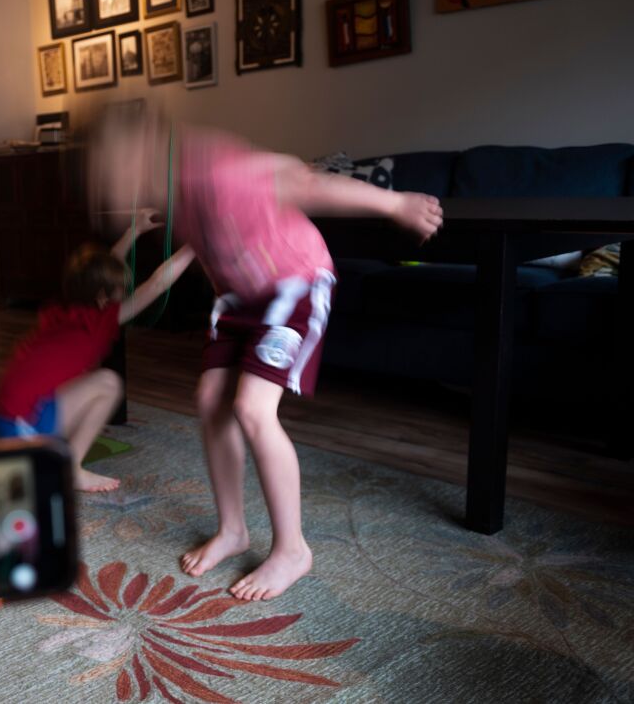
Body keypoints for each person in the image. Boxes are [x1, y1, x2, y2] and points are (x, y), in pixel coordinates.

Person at [92, 113, 443, 600]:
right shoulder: (180, 198)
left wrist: (395, 202)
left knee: (252, 409)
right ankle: (234, 529)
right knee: (210, 399)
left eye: (113, 169)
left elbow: (303, 180)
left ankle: (292, 550)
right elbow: (215, 246)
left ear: (149, 148)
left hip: (295, 283)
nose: (108, 184)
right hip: (239, 299)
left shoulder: (217, 170)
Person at [0, 209, 195, 492]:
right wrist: (197, 244)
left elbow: (107, 268)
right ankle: (70, 468)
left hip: (2, 421)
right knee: (108, 383)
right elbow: (157, 284)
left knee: (90, 378)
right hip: (20, 430)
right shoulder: (99, 323)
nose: (125, 293)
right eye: (120, 290)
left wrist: (133, 230)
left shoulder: (69, 309)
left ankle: (44, 453)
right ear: (103, 298)